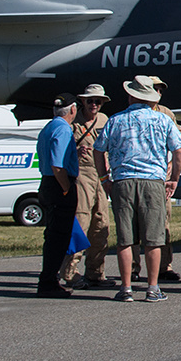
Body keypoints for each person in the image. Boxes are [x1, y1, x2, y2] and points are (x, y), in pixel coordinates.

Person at [93, 76, 181, 303]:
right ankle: (152, 288)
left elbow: (98, 150)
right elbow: (179, 150)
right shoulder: (162, 120)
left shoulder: (115, 120)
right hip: (153, 181)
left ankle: (126, 288)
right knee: (153, 238)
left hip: (122, 181)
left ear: (131, 95)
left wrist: (104, 177)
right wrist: (173, 179)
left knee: (125, 238)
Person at [61, 84, 114, 289]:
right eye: (90, 100)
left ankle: (95, 272)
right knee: (81, 221)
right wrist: (75, 149)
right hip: (81, 173)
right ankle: (69, 271)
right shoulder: (71, 121)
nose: (94, 104)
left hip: (101, 174)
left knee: (101, 224)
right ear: (82, 101)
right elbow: (59, 147)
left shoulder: (105, 120)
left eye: (98, 101)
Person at [132, 75, 181, 282]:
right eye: (155, 89)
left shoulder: (166, 114)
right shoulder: (131, 115)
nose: (159, 93)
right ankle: (134, 268)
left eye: (161, 89)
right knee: (134, 224)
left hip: (161, 177)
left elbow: (177, 144)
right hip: (137, 175)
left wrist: (171, 168)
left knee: (163, 222)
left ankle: (164, 266)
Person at [35, 93, 79, 298]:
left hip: (46, 182)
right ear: (73, 110)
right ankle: (49, 281)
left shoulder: (48, 128)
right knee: (58, 237)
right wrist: (66, 188)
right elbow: (57, 165)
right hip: (58, 183)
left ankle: (49, 279)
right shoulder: (63, 129)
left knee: (53, 233)